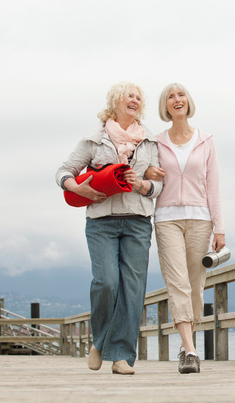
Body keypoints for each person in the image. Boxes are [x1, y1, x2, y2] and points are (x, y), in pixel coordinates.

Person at [56, 82, 162, 375]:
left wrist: (141, 184)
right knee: (106, 283)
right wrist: (78, 187)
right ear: (116, 101)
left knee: (132, 288)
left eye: (139, 97)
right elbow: (63, 171)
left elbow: (159, 186)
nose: (136, 100)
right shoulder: (93, 139)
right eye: (130, 96)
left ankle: (121, 357)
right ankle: (99, 341)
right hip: (101, 221)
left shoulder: (150, 141)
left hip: (138, 221)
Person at [145, 82, 225, 374]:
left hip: (200, 219)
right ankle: (190, 351)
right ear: (165, 106)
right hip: (166, 218)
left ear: (188, 102)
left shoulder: (206, 141)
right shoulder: (155, 142)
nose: (176, 100)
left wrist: (220, 228)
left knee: (195, 286)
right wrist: (147, 171)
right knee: (176, 283)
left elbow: (213, 186)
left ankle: (185, 343)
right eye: (170, 96)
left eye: (180, 95)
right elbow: (146, 174)